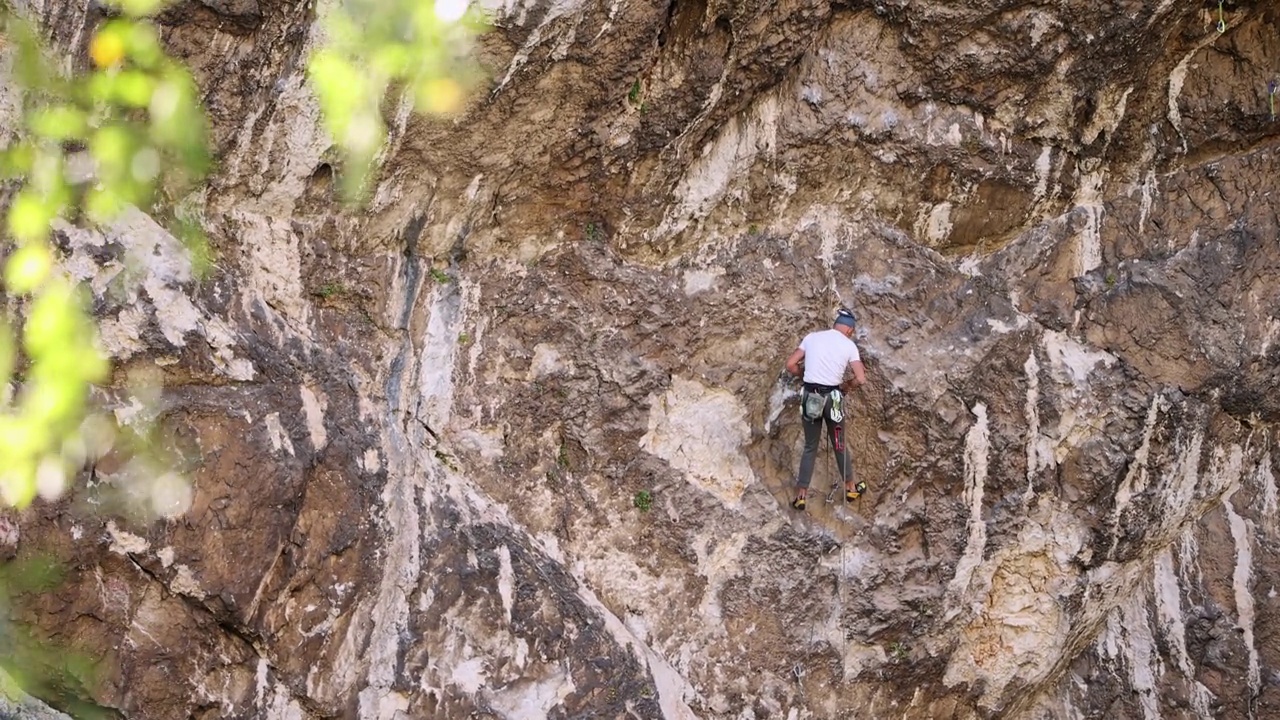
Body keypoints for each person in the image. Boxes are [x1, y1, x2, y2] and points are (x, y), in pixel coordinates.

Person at [784, 308, 868, 510]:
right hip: (833, 399)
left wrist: (804, 374)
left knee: (810, 446)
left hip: (811, 396)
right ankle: (850, 489)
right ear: (849, 330)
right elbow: (861, 378)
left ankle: (801, 496)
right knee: (839, 444)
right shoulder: (849, 346)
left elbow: (790, 364)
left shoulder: (812, 338)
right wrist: (846, 386)